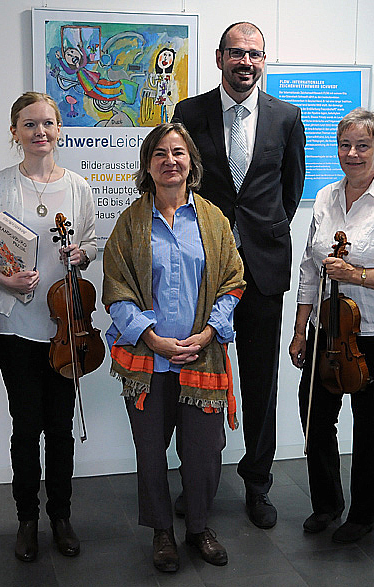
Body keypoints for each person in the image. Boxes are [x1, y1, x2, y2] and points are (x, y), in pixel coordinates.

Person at [171, 21, 306, 528]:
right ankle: (197, 479)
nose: (245, 62)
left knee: (259, 382)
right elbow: (183, 182)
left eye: (255, 54)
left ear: (263, 60)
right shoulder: (189, 113)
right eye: (236, 53)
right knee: (196, 376)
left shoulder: (286, 117)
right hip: (202, 267)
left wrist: (261, 233)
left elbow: (290, 189)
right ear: (220, 57)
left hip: (264, 271)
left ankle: (257, 483)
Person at [102, 123, 245, 572]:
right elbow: (117, 290)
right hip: (149, 359)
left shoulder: (214, 220)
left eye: (178, 152)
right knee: (149, 451)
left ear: (191, 163)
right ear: (148, 164)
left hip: (202, 355)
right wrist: (151, 338)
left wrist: (208, 334)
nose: (170, 160)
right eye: (160, 153)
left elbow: (233, 281)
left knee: (203, 452)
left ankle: (199, 526)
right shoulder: (130, 223)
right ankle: (162, 532)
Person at [0, 92, 96, 562]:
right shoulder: (0, 185)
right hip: (15, 325)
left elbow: (91, 241)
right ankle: (26, 520)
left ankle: (61, 516)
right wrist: (6, 278)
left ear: (59, 129)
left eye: (48, 123)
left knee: (60, 427)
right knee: (27, 425)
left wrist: (82, 253)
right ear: (15, 132)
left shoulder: (79, 186)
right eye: (29, 124)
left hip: (66, 330)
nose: (40, 131)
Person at [288, 109, 374, 543]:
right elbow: (310, 269)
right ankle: (327, 503)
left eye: (362, 146)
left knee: (369, 425)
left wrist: (357, 275)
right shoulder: (327, 197)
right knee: (316, 417)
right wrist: (299, 329)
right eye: (345, 145)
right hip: (328, 330)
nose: (352, 153)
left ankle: (364, 515)